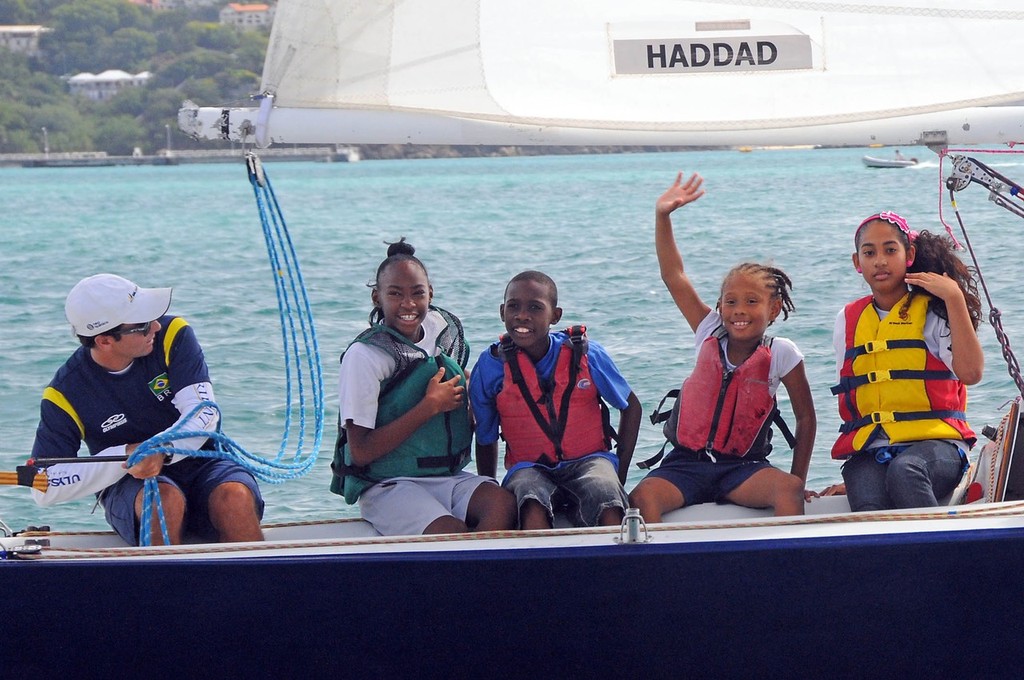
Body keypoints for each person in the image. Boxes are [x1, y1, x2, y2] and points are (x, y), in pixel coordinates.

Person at [628, 172, 816, 521]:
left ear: (773, 309)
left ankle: (787, 569)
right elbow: (674, 276)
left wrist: (798, 478)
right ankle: (660, 571)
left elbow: (806, 418)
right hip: (685, 464)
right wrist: (662, 215)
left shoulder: (782, 354)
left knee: (788, 490)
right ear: (719, 305)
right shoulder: (708, 329)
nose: (739, 311)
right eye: (730, 301)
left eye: (751, 301)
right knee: (642, 498)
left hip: (742, 468)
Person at [30, 273, 265, 545]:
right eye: (141, 325)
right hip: (129, 485)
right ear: (105, 340)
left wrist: (160, 451)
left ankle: (257, 586)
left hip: (204, 463)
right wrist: (126, 456)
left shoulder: (173, 334)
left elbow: (203, 413)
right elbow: (42, 486)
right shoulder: (64, 393)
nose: (155, 326)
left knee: (234, 498)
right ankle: (166, 585)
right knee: (162, 503)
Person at [330, 239, 517, 535]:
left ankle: (483, 576)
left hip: (447, 476)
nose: (408, 304)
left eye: (417, 293)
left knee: (504, 506)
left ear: (430, 293)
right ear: (377, 298)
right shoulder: (364, 357)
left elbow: (440, 370)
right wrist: (429, 407)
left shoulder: (437, 328)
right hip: (387, 485)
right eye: (395, 294)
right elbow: (362, 451)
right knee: (450, 531)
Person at [822, 211, 983, 510]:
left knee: (906, 471)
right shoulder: (848, 319)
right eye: (869, 253)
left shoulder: (933, 310)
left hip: (938, 447)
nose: (880, 260)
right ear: (857, 263)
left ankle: (941, 552)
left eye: (890, 250)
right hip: (874, 448)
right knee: (866, 491)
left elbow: (971, 372)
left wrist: (954, 298)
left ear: (909, 254)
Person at [468, 270, 642, 529]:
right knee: (530, 503)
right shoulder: (490, 365)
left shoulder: (587, 354)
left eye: (535, 308)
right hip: (529, 467)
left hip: (590, 461)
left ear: (555, 316)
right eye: (513, 307)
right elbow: (485, 436)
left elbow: (631, 408)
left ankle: (612, 565)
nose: (522, 315)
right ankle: (542, 567)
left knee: (607, 497)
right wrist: (489, 485)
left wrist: (621, 472)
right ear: (502, 311)